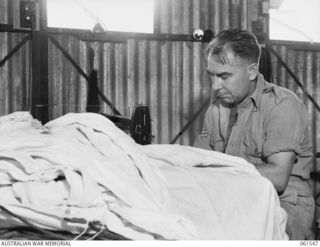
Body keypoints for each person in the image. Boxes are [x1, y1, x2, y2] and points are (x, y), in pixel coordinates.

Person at [193, 28, 315, 240]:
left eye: (224, 76)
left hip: (284, 202)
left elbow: (277, 178)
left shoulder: (282, 104)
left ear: (251, 71)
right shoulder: (217, 108)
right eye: (211, 76)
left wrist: (217, 171)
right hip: (237, 196)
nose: (215, 86)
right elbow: (196, 160)